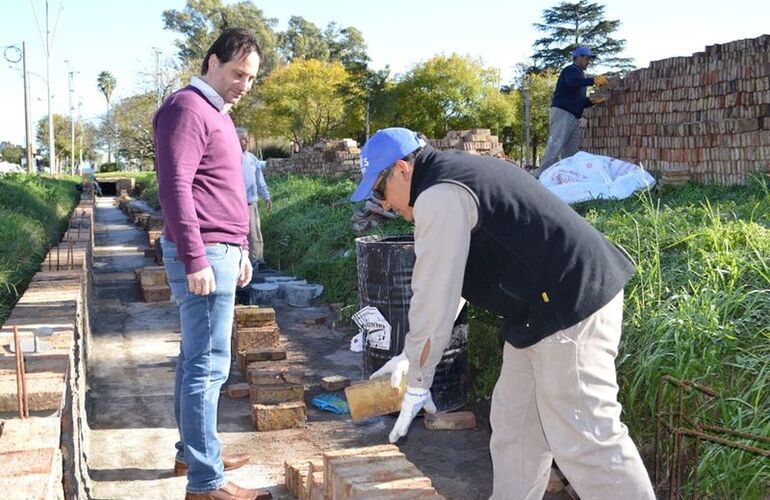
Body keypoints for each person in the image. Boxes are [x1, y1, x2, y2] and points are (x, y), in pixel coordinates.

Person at [351, 127, 656, 500]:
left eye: (380, 191)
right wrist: (409, 358)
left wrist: (418, 377)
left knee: (585, 437)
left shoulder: (439, 195)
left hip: (570, 305)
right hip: (538, 310)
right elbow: (447, 284)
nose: (384, 205)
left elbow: (433, 295)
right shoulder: (448, 178)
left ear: (401, 169)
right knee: (516, 427)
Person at [153, 28, 271, 500]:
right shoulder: (186, 108)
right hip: (203, 253)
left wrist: (241, 247)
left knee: (194, 360)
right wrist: (196, 256)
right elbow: (176, 187)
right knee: (207, 365)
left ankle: (194, 451)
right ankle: (206, 483)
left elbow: (222, 188)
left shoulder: (214, 112)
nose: (244, 84)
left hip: (222, 251)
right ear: (212, 62)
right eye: (238, 73)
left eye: (251, 77)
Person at [539, 46, 608, 175]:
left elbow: (578, 100)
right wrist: (593, 80)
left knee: (571, 152)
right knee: (556, 145)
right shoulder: (571, 70)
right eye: (587, 58)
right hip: (563, 113)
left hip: (573, 116)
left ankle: (569, 178)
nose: (589, 62)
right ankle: (540, 176)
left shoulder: (580, 76)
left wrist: (591, 101)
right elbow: (573, 82)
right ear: (578, 57)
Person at [236, 128, 272, 269]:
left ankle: (257, 261)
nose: (246, 142)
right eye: (243, 139)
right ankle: (239, 264)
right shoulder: (229, 158)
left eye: (246, 139)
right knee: (238, 234)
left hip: (251, 203)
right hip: (234, 204)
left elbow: (259, 180)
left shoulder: (252, 159)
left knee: (254, 232)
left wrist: (266, 196)